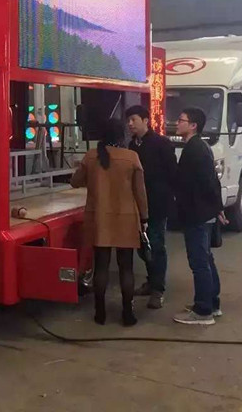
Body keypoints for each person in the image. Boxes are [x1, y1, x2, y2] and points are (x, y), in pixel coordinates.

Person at [71, 118, 148, 327]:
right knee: (126, 268)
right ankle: (127, 313)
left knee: (101, 266)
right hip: (126, 218)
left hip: (100, 218)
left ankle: (100, 313)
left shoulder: (91, 156)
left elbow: (75, 182)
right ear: (121, 135)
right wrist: (144, 218)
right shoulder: (131, 157)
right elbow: (140, 193)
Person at [172, 107, 228, 326]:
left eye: (181, 120)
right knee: (205, 259)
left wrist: (215, 207)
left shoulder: (195, 149)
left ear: (193, 125)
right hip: (203, 211)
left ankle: (203, 311)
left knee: (199, 263)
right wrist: (217, 207)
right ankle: (212, 304)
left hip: (197, 213)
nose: (177, 123)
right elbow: (212, 180)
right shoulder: (199, 146)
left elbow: (206, 182)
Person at [126, 105, 177, 310]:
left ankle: (158, 290)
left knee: (156, 246)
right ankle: (150, 281)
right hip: (138, 205)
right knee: (142, 247)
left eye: (134, 119)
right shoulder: (132, 145)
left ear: (146, 121)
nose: (130, 124)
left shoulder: (161, 143)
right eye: (128, 120)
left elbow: (172, 173)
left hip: (157, 204)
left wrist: (169, 197)